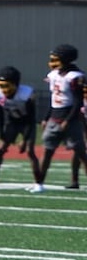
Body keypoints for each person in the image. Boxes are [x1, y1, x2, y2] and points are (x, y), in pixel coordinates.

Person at [34, 44, 87, 193]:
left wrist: (68, 120)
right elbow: (54, 98)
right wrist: (46, 117)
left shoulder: (75, 77)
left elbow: (78, 101)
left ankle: (76, 180)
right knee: (47, 151)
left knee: (81, 152)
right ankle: (39, 183)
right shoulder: (53, 75)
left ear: (66, 59)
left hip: (70, 119)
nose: (52, 62)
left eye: (55, 59)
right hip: (54, 117)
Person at [0, 66, 40, 191]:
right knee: (0, 149)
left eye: (7, 86)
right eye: (1, 86)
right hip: (12, 122)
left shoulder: (26, 94)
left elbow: (30, 118)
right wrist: (1, 135)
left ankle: (39, 184)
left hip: (26, 123)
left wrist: (25, 139)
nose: (4, 90)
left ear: (16, 84)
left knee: (29, 151)